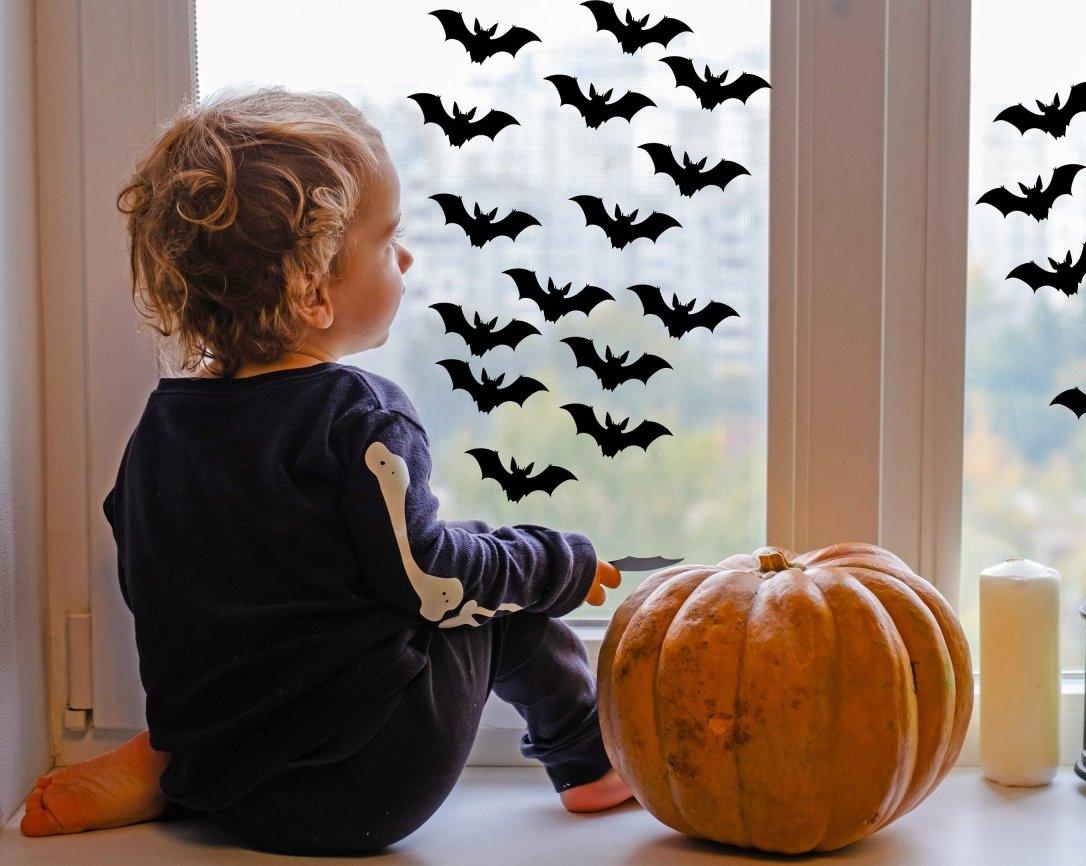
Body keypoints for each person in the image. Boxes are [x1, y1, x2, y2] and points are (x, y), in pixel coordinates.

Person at [20, 85, 632, 856]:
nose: (405, 257)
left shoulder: (165, 424)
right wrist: (555, 562)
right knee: (503, 597)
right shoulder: (360, 417)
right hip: (364, 785)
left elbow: (156, 573)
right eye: (387, 240)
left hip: (231, 785)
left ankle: (164, 766)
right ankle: (589, 765)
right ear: (311, 289)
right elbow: (431, 583)